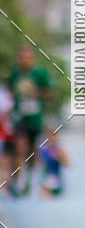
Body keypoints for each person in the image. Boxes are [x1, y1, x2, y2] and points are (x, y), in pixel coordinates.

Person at [8, 45, 53, 196]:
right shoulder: (15, 74)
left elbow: (49, 94)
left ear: (32, 59)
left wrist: (37, 93)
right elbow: (9, 92)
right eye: (22, 57)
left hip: (35, 119)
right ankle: (16, 182)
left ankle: (28, 179)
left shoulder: (40, 74)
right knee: (19, 148)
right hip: (20, 118)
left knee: (31, 151)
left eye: (28, 57)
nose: (25, 60)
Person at [39, 127, 69, 198]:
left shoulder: (60, 150)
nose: (52, 139)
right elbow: (39, 166)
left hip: (57, 183)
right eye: (51, 137)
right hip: (46, 183)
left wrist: (59, 157)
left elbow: (68, 164)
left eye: (54, 137)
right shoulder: (43, 150)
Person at [0, 78, 14, 194]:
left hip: (7, 135)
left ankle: (6, 186)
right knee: (4, 163)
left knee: (6, 162)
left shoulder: (9, 97)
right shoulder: (4, 97)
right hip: (4, 135)